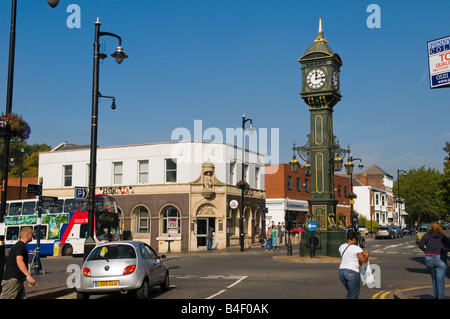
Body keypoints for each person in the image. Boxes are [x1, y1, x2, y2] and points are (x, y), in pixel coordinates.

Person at [0, 227, 36, 299]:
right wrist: (28, 276)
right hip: (12, 281)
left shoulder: (20, 245)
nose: (33, 236)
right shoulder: (20, 246)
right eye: (32, 234)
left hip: (17, 280)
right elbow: (19, 261)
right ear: (27, 235)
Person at [418, 221, 450, 299]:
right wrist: (444, 252)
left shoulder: (427, 235)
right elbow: (448, 247)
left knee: (434, 278)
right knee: (440, 280)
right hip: (440, 258)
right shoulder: (443, 236)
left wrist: (427, 251)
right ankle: (440, 297)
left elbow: (420, 245)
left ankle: (436, 296)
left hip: (429, 259)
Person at [338, 229, 369, 299]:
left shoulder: (341, 247)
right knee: (354, 295)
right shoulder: (356, 248)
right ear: (353, 239)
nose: (356, 241)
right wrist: (366, 255)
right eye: (356, 239)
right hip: (352, 272)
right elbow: (363, 260)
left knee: (350, 292)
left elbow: (349, 258)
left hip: (341, 271)